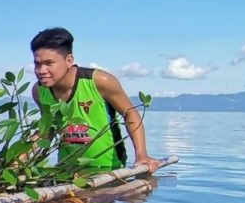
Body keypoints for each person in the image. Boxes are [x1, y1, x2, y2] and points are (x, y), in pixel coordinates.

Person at [30, 27, 160, 172]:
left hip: (108, 168)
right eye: (37, 64)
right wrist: (19, 157)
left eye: (49, 63)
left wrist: (141, 154)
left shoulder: (100, 81)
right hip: (66, 170)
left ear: (69, 60)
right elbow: (47, 129)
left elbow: (130, 113)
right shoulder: (39, 91)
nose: (41, 70)